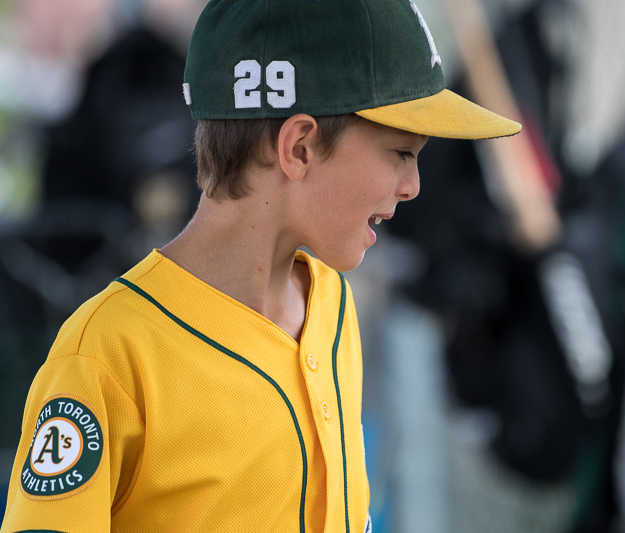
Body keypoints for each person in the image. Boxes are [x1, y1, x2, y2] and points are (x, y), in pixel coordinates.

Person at [0, 0, 520, 531]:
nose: (413, 186)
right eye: (402, 153)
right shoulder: (106, 355)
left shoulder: (331, 304)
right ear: (298, 148)